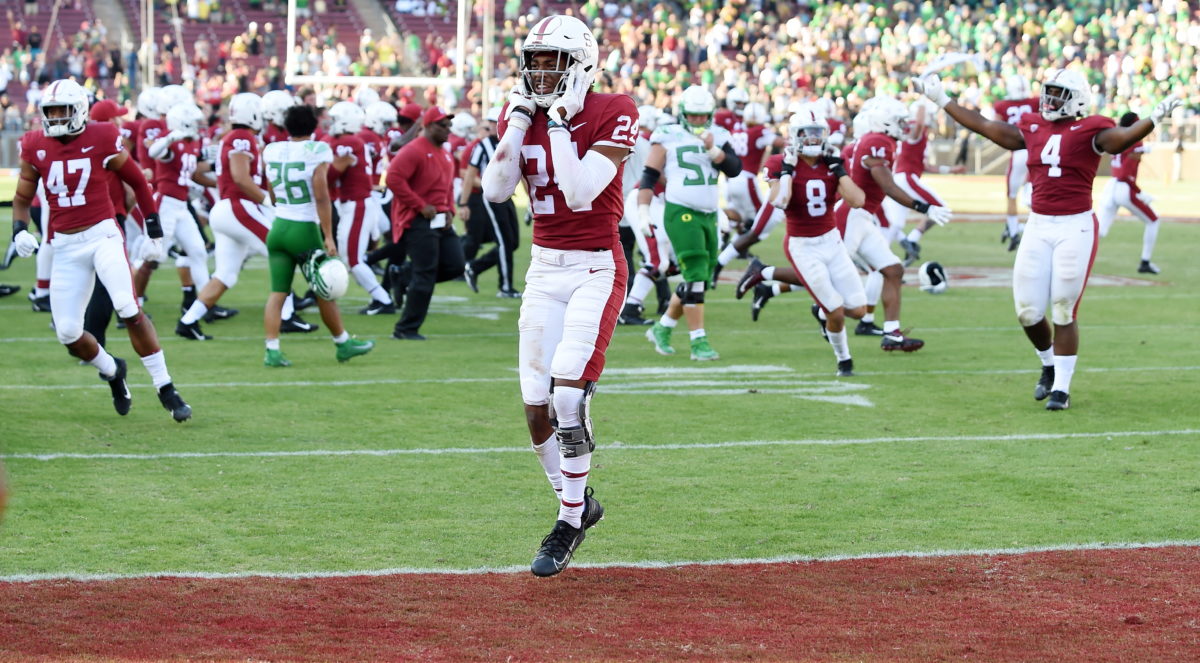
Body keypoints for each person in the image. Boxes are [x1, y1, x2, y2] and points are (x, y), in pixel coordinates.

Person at [914, 69, 1180, 410]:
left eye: (1058, 94)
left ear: (1077, 99)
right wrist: (941, 99)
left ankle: (1062, 390)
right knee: (1027, 310)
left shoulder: (1092, 127)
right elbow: (984, 126)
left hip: (1075, 225)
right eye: (1048, 92)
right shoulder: (1033, 126)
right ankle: (1048, 364)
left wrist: (1153, 118)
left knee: (1064, 306)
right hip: (1038, 225)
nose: (1050, 99)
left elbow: (1122, 138)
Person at [482, 14, 636, 577]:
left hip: (596, 267)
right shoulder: (520, 109)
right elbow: (497, 191)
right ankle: (577, 499)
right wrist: (520, 122)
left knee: (569, 395)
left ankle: (569, 519)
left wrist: (561, 126)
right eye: (534, 61)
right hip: (545, 269)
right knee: (533, 405)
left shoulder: (614, 109)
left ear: (581, 63)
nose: (540, 73)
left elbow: (576, 192)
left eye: (552, 62)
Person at [10, 79, 191, 421]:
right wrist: (19, 229)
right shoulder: (34, 144)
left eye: (63, 110)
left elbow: (137, 179)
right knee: (67, 333)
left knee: (126, 305)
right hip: (64, 245)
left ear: (79, 109)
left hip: (102, 234)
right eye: (51, 112)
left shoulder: (103, 135)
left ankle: (166, 386)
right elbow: (21, 199)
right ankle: (113, 370)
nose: (56, 118)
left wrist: (152, 219)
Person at [176, 93, 314, 341]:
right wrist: (267, 201)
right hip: (238, 207)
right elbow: (240, 177)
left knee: (226, 274)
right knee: (283, 251)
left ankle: (188, 321)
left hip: (228, 209)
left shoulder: (234, 137)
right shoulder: (242, 138)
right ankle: (287, 316)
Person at [260, 104, 375, 366]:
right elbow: (322, 195)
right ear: (313, 126)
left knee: (277, 293)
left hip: (278, 227)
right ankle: (343, 343)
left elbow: (273, 192)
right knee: (325, 290)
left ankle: (272, 350)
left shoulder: (273, 149)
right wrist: (328, 235)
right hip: (304, 228)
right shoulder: (317, 150)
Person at [835, 97, 950, 352]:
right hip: (853, 215)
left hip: (864, 217)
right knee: (826, 271)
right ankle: (769, 278)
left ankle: (892, 333)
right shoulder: (878, 141)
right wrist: (923, 206)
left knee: (892, 269)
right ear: (885, 122)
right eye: (899, 121)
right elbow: (887, 184)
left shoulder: (881, 141)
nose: (903, 126)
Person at [640, 85, 741, 361]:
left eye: (702, 115)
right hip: (681, 210)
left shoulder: (718, 135)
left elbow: (735, 168)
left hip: (709, 212)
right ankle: (699, 342)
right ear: (683, 113)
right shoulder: (667, 134)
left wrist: (714, 151)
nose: (697, 120)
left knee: (699, 278)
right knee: (695, 274)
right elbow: (649, 175)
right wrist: (643, 211)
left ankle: (663, 327)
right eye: (693, 115)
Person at [763, 110, 867, 376]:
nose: (812, 139)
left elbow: (858, 200)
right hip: (802, 245)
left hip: (832, 241)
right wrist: (787, 171)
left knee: (858, 309)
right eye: (806, 133)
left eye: (817, 132)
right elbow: (779, 201)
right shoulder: (779, 162)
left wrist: (839, 169)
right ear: (794, 136)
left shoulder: (832, 160)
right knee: (836, 311)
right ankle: (844, 359)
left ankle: (821, 311)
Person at [385, 105, 465, 340]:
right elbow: (393, 178)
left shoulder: (445, 152)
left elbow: (448, 185)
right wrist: (420, 205)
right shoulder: (414, 150)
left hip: (440, 219)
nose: (447, 130)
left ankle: (403, 276)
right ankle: (405, 329)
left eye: (449, 125)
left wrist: (450, 209)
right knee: (426, 274)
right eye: (442, 125)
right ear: (427, 126)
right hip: (418, 220)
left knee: (456, 265)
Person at [326, 101, 395, 314]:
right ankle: (321, 294)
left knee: (353, 259)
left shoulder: (349, 141)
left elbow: (329, 174)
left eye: (335, 119)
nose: (331, 124)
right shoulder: (351, 140)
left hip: (357, 205)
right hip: (355, 204)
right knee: (348, 257)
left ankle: (384, 300)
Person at [885, 100, 966, 267]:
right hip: (906, 178)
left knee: (894, 224)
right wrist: (923, 100)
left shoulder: (917, 136)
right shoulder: (916, 132)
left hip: (900, 178)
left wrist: (950, 170)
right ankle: (912, 240)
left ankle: (884, 258)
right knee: (941, 209)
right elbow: (920, 123)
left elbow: (927, 166)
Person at [460, 106, 521, 298]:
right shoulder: (482, 145)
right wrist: (463, 203)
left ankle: (474, 267)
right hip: (493, 197)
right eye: (493, 123)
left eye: (497, 122)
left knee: (513, 243)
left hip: (508, 196)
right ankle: (505, 287)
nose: (495, 126)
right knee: (504, 242)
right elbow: (469, 175)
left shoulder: (514, 141)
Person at [1097, 111, 1162, 274]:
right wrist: (1140, 192)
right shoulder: (1136, 142)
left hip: (1111, 184)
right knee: (1153, 221)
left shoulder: (1116, 136)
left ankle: (1076, 259)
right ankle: (1145, 262)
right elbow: (1126, 173)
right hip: (1124, 187)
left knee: (1099, 231)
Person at [993, 75, 1040, 251]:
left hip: (1018, 153)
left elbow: (995, 126)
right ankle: (1024, 227)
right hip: (1034, 150)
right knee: (1034, 191)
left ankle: (1013, 232)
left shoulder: (1002, 106)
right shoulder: (1035, 102)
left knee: (1012, 195)